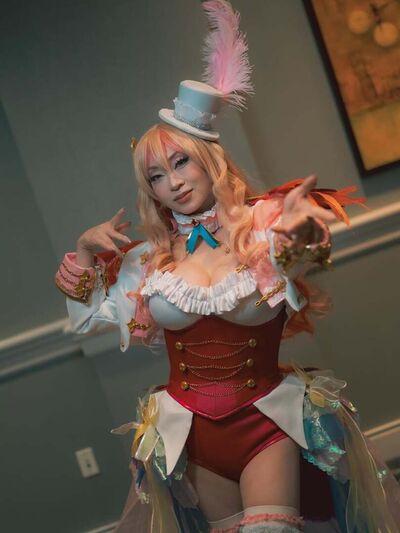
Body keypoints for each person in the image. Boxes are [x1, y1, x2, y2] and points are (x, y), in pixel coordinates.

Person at [55, 2, 400, 531]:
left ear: (208, 160)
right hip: (191, 436)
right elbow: (87, 319)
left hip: (268, 422)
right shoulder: (149, 259)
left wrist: (300, 233)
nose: (173, 183)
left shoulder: (261, 226)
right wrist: (83, 253)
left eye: (181, 162)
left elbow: (300, 256)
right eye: (156, 176)